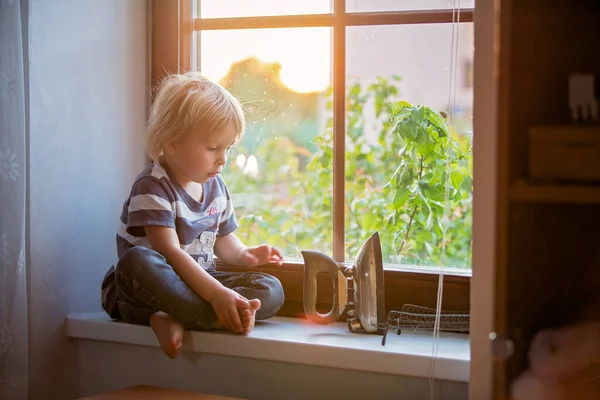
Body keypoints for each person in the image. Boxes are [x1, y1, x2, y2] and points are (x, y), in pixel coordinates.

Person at [100, 72, 285, 359]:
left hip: (198, 286)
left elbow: (224, 239)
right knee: (137, 262)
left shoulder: (216, 186)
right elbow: (170, 253)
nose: (223, 158)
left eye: (228, 148)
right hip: (146, 290)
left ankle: (175, 315)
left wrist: (246, 255)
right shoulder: (152, 186)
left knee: (270, 289)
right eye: (213, 148)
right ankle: (211, 317)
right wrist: (216, 296)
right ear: (172, 143)